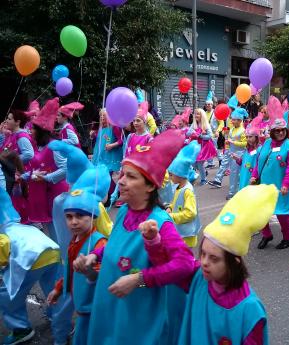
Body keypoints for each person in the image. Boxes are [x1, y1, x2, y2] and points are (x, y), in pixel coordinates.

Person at [73, 130, 196, 344]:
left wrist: (139, 279)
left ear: (150, 186)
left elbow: (185, 264)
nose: (121, 181)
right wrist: (94, 256)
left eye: (131, 176)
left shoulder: (160, 222)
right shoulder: (124, 210)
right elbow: (115, 244)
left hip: (138, 317)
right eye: (122, 174)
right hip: (112, 308)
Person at [167, 184, 276, 344]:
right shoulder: (199, 277)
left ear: (235, 262)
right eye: (203, 253)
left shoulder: (250, 311)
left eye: (214, 258)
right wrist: (154, 242)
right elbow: (172, 271)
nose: (204, 262)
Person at [47, 165, 110, 345]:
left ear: (93, 216)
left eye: (80, 216)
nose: (74, 222)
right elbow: (69, 271)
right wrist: (58, 289)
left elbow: (102, 277)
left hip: (93, 308)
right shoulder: (74, 240)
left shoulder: (99, 243)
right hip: (80, 303)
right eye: (69, 216)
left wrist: (89, 271)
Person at [0, 188, 70, 345]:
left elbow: (2, 257)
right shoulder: (18, 226)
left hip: (30, 258)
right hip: (50, 249)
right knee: (55, 287)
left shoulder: (3, 233)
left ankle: (21, 329)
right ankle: (60, 317)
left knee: (7, 294)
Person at [250, 118, 289, 250]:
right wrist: (254, 176)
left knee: (281, 212)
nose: (280, 133)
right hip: (264, 185)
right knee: (260, 210)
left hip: (280, 185)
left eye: (283, 130)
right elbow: (258, 162)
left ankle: (288, 238)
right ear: (272, 131)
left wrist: (286, 185)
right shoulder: (266, 143)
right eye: (277, 130)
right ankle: (266, 235)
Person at [23, 98, 69, 235]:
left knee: (58, 229)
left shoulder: (54, 146)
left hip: (55, 194)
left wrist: (47, 178)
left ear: (41, 131)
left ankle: (64, 255)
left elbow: (65, 168)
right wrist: (26, 175)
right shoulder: (38, 146)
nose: (31, 132)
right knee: (49, 227)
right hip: (43, 193)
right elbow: (37, 167)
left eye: (33, 129)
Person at [0, 109, 34, 221]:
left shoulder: (21, 136)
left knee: (20, 205)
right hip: (11, 175)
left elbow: (29, 154)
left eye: (9, 119)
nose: (6, 121)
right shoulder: (11, 135)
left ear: (18, 122)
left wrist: (11, 163)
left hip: (19, 176)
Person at [167, 141, 202, 248]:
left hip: (186, 233)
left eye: (171, 175)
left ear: (180, 175)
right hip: (180, 229)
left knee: (185, 258)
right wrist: (170, 207)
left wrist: (172, 216)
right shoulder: (178, 186)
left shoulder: (187, 191)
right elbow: (176, 202)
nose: (169, 177)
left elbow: (190, 213)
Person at [208, 108, 247, 200]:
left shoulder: (243, 130)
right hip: (230, 153)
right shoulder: (232, 129)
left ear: (240, 120)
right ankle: (232, 191)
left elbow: (245, 144)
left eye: (233, 119)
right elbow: (229, 140)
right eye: (232, 119)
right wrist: (227, 148)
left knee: (235, 173)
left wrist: (233, 142)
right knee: (232, 173)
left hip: (238, 154)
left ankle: (234, 192)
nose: (232, 121)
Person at [187, 108, 217, 186]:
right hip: (195, 147)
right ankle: (204, 171)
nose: (196, 115)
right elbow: (188, 133)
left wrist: (201, 136)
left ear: (202, 115)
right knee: (193, 162)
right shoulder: (194, 124)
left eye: (198, 113)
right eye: (195, 113)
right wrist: (193, 132)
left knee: (200, 164)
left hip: (204, 147)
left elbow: (210, 136)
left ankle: (204, 179)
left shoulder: (206, 125)